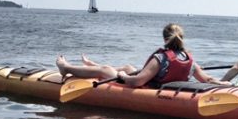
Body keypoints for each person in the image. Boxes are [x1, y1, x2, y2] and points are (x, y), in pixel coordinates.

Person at [56, 23, 227, 87]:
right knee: (129, 67)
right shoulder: (188, 59)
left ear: (164, 38)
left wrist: (122, 77)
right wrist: (222, 83)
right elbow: (206, 79)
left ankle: (65, 68)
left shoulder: (160, 58)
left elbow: (137, 82)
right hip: (155, 79)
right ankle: (91, 65)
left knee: (107, 70)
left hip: (148, 86)